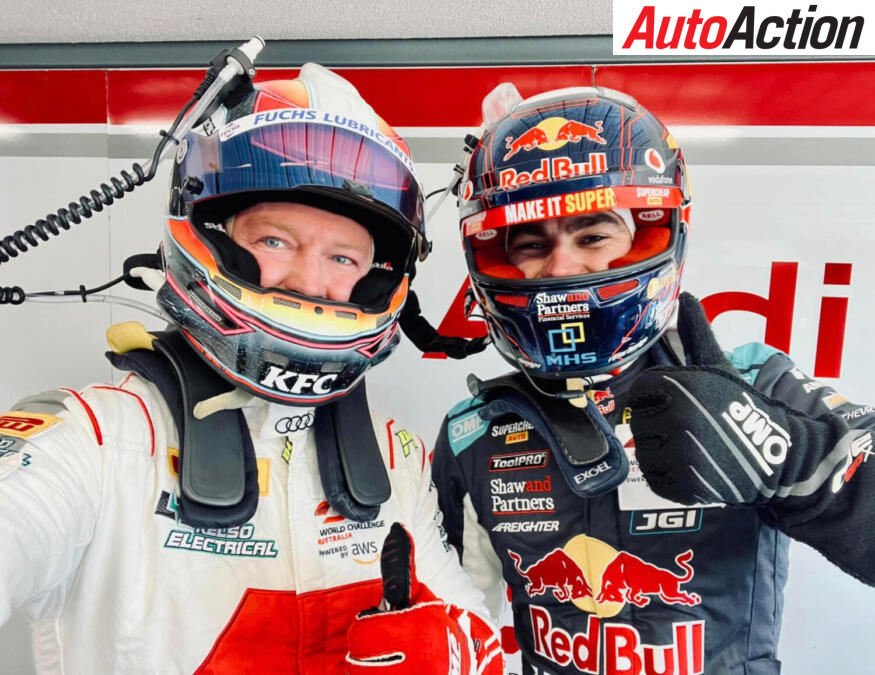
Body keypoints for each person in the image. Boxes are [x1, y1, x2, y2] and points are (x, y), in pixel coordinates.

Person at [0, 64, 503, 675]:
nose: (308, 281)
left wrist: (454, 650)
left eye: (342, 256)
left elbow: (474, 629)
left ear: (380, 279)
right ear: (215, 235)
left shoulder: (396, 459)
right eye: (274, 241)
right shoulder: (98, 438)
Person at [431, 84, 874, 674]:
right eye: (533, 244)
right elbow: (464, 626)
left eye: (593, 236)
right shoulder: (473, 433)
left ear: (651, 234)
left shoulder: (753, 381)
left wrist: (788, 457)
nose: (564, 268)